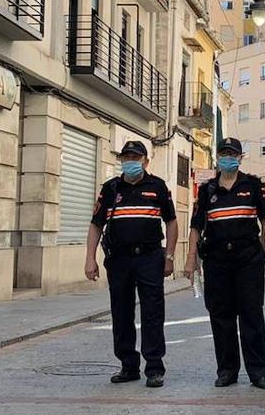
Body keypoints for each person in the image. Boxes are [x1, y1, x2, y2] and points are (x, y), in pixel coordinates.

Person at [184, 138, 265, 390]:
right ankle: (227, 370)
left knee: (251, 315)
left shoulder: (253, 186)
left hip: (247, 259)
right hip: (216, 261)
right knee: (221, 317)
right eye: (223, 153)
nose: (228, 157)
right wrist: (191, 258)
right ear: (217, 157)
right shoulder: (207, 190)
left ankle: (259, 372)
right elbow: (196, 226)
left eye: (232, 153)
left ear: (240, 157)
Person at [85, 141, 178, 388]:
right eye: (126, 157)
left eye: (135, 157)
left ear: (146, 161)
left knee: (152, 312)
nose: (131, 161)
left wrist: (169, 256)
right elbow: (96, 224)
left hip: (150, 258)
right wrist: (90, 258)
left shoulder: (157, 187)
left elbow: (171, 222)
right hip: (119, 259)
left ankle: (155, 368)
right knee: (121, 312)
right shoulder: (111, 188)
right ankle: (128, 365)